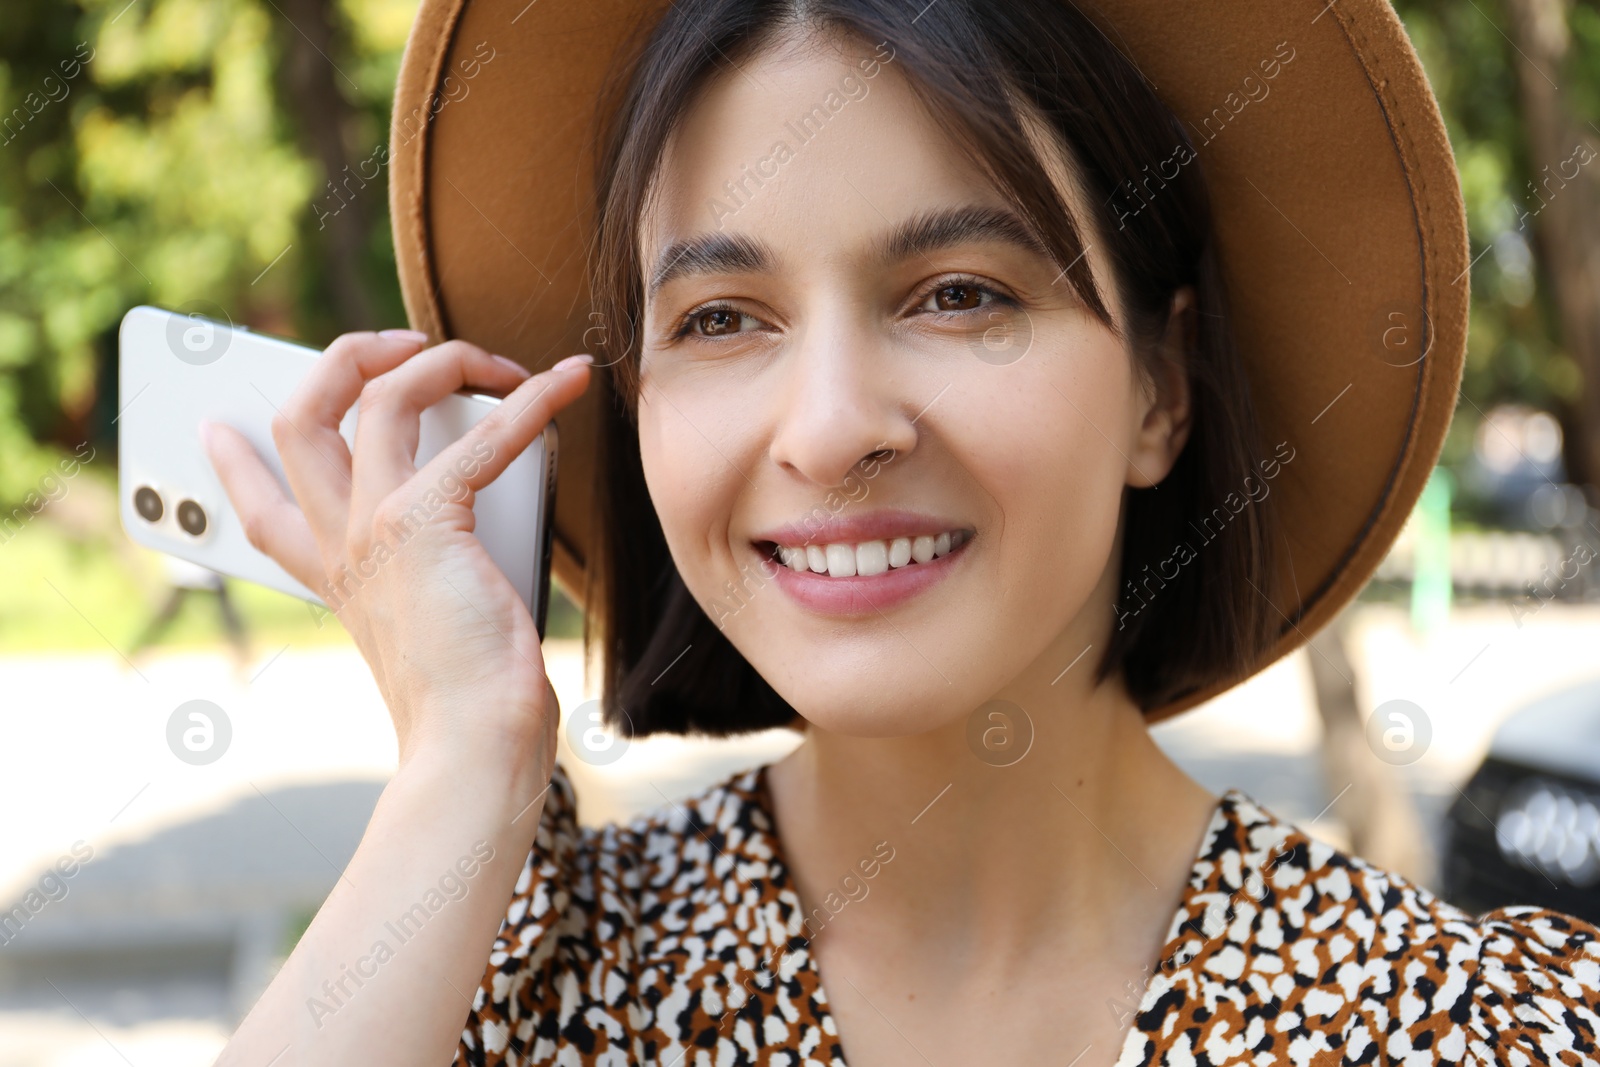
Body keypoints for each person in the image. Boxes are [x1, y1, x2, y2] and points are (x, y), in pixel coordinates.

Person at [203, 0, 1600, 1064]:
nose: (828, 430)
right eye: (721, 319)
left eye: (958, 295)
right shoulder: (495, 976)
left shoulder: (1460, 1027)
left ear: (1161, 391)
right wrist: (463, 759)